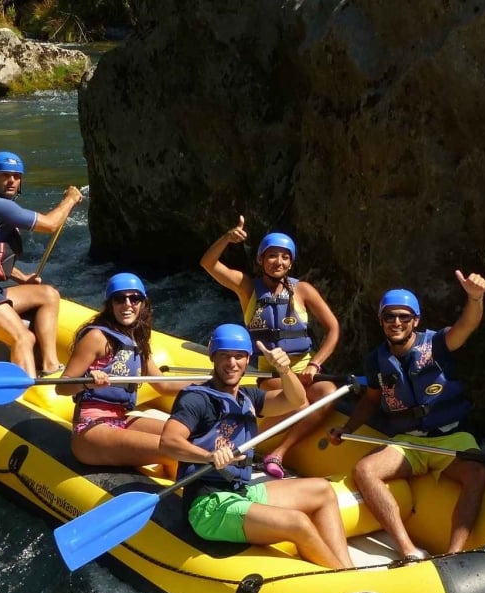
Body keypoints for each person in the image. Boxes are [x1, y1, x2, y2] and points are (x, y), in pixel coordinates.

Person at [159, 324, 353, 570]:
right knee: (298, 523)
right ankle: (340, 579)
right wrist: (208, 455)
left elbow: (297, 400)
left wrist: (284, 370)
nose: (232, 363)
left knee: (323, 491)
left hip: (241, 491)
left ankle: (348, 569)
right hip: (208, 505)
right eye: (224, 356)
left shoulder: (248, 397)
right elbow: (168, 442)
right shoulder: (196, 399)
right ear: (213, 357)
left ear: (247, 359)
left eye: (239, 356)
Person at [330, 271, 485, 560]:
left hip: (450, 436)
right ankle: (406, 549)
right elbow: (370, 400)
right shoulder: (375, 361)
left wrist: (475, 298)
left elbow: (466, 326)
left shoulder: (438, 344)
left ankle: (454, 554)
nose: (397, 323)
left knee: (477, 473)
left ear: (415, 320)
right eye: (390, 317)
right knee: (365, 471)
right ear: (381, 321)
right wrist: (347, 427)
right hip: (408, 441)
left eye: (404, 317)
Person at [199, 217, 340, 479]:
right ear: (261, 260)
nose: (279, 262)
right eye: (272, 256)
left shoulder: (303, 290)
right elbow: (208, 264)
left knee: (329, 392)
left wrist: (315, 363)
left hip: (305, 371)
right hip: (272, 376)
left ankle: (278, 452)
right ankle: (258, 446)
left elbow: (333, 329)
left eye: (285, 257)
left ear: (291, 262)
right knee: (299, 403)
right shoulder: (248, 288)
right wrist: (227, 238)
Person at [0, 151, 83, 377]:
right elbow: (50, 224)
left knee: (48, 294)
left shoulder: (0, 213)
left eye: (16, 176)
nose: (12, 180)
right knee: (23, 337)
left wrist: (23, 278)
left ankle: (50, 365)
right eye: (5, 175)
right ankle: (24, 390)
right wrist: (69, 199)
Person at [63, 273, 185, 469]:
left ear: (142, 303)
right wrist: (86, 381)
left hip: (121, 418)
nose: (127, 304)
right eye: (120, 299)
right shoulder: (96, 337)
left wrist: (210, 384)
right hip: (91, 427)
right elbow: (62, 387)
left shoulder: (136, 341)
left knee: (192, 437)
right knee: (174, 448)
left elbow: (164, 385)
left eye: (134, 298)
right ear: (110, 304)